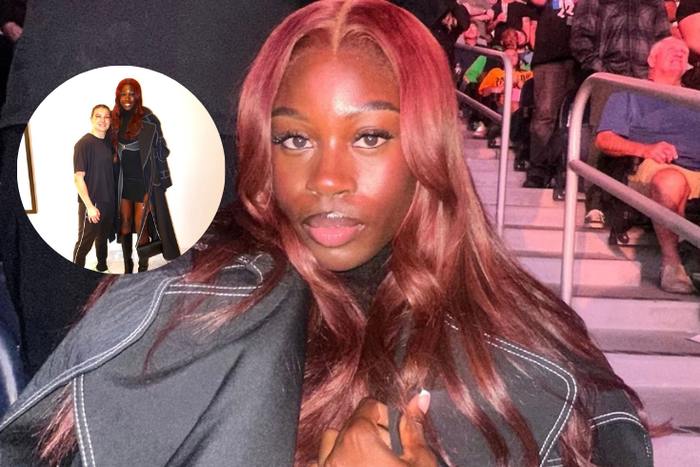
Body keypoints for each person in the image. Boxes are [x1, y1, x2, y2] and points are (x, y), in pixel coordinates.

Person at [1, 1, 652, 466]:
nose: (330, 178)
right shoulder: (188, 310)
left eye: (368, 137)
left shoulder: (534, 365)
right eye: (296, 140)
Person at [594, 37, 700, 294]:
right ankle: (672, 265)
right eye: (671, 49)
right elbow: (604, 139)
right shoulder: (630, 93)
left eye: (683, 52)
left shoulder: (695, 98)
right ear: (651, 60)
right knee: (670, 181)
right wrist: (645, 149)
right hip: (658, 167)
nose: (679, 53)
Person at [111, 79, 180, 273]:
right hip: (122, 181)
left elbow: (160, 151)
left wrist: (160, 179)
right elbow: (107, 150)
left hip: (144, 181)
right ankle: (127, 264)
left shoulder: (148, 118)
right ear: (118, 96)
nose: (127, 98)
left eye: (131, 94)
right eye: (123, 94)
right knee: (124, 223)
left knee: (142, 224)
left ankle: (143, 266)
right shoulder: (114, 120)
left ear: (137, 96)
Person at [71, 105, 116, 272]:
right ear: (91, 119)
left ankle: (102, 266)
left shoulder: (110, 143)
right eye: (98, 116)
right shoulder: (84, 144)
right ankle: (76, 272)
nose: (103, 120)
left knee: (102, 238)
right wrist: (90, 207)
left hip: (109, 201)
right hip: (93, 202)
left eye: (106, 116)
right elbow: (78, 178)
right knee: (85, 242)